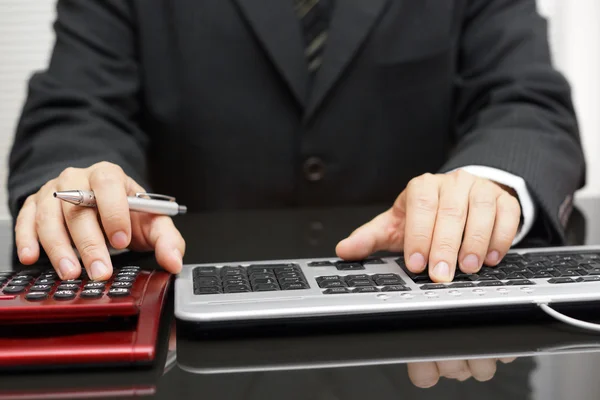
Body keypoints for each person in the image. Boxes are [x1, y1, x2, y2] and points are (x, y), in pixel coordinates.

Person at [8, 0, 585, 283]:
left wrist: (490, 182)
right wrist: (83, 183)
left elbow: (525, 99)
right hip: (188, 341)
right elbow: (75, 108)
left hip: (429, 326)